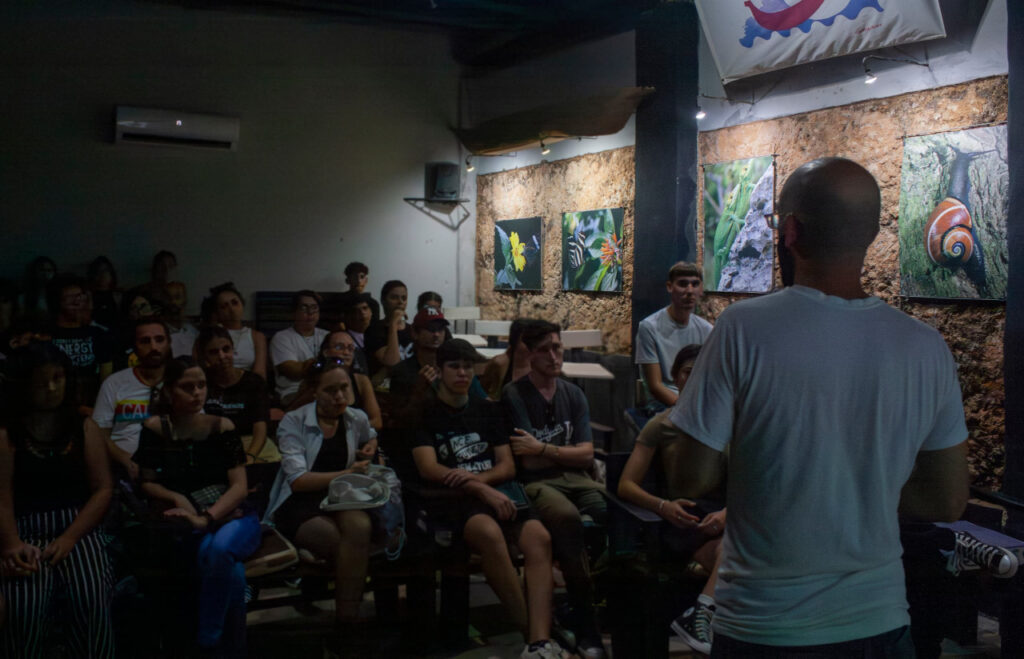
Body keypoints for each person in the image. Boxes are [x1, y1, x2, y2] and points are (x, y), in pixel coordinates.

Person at [670, 158, 969, 656]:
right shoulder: (925, 346)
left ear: (789, 231)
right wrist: (861, 495)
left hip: (764, 622)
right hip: (879, 618)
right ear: (872, 233)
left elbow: (690, 478)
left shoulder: (743, 328)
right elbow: (945, 501)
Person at [412, 339, 569, 659]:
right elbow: (429, 467)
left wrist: (481, 482)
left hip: (497, 492)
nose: (462, 373)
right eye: (454, 367)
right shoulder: (425, 413)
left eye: (468, 367)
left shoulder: (487, 410)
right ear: (439, 371)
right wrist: (478, 488)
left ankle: (539, 641)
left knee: (538, 537)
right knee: (488, 532)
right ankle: (534, 637)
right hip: (454, 500)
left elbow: (506, 465)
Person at [135, 357, 260, 655]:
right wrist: (177, 498)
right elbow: (146, 481)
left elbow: (239, 486)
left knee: (217, 551)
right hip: (188, 515)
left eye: (201, 385)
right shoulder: (155, 428)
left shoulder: (222, 426)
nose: (197, 393)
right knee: (231, 573)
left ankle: (207, 639)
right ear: (168, 391)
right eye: (187, 387)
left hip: (232, 515)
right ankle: (231, 650)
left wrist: (206, 517)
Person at [0, 343, 115, 657]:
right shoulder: (8, 433)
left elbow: (103, 489)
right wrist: (10, 545)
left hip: (78, 527)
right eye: (41, 381)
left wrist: (70, 537)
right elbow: (2, 495)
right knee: (24, 608)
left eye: (58, 378)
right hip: (23, 530)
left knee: (91, 598)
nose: (51, 388)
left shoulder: (83, 427)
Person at [501, 320, 607, 659]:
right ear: (529, 355)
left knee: (615, 515)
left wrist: (545, 450)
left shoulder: (573, 393)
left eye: (557, 348)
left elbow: (587, 453)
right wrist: (566, 455)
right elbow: (527, 463)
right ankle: (585, 622)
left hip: (577, 478)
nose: (553, 356)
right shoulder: (514, 394)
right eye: (544, 349)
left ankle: (592, 603)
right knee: (567, 519)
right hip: (537, 483)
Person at [617, 344, 726, 654]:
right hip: (686, 520)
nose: (697, 380)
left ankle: (703, 616)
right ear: (676, 377)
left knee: (746, 552)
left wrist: (729, 513)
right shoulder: (662, 424)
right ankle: (703, 613)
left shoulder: (730, 421)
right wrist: (662, 506)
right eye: (689, 373)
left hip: (727, 520)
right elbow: (626, 484)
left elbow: (750, 483)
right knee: (737, 555)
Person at [263, 360, 378, 627]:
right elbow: (299, 481)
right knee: (344, 547)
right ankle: (347, 620)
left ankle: (346, 620)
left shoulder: (355, 417)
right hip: (300, 501)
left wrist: (370, 446)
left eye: (344, 388)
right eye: (330, 390)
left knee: (360, 528)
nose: (339, 396)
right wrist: (348, 471)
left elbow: (370, 435)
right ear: (314, 391)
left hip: (340, 495)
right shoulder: (294, 421)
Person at [90, 317, 170, 479]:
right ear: (134, 346)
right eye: (145, 341)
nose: (153, 347)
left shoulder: (181, 380)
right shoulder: (114, 383)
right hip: (123, 468)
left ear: (169, 343)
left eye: (159, 340)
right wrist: (125, 459)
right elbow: (99, 433)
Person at [634, 262, 712, 414]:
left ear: (700, 288)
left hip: (695, 401)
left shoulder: (706, 329)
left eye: (695, 284)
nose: (689, 291)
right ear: (670, 287)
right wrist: (686, 409)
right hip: (662, 404)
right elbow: (655, 386)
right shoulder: (649, 327)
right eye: (683, 284)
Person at [196, 326, 276, 463]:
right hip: (215, 444)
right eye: (214, 352)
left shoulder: (254, 382)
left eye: (226, 349)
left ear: (233, 350)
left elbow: (260, 426)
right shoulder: (201, 383)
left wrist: (250, 457)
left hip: (250, 440)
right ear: (205, 357)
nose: (222, 356)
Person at [48, 274, 113, 415]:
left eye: (80, 296)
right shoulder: (46, 334)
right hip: (54, 404)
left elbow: (106, 377)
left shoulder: (97, 334)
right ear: (57, 301)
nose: (77, 302)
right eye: (70, 297)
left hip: (91, 406)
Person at [270, 290, 329, 406]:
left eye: (314, 308)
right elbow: (292, 371)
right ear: (293, 312)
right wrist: (324, 364)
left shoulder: (327, 335)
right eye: (304, 308)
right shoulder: (282, 337)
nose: (310, 312)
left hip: (326, 388)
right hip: (294, 392)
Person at [205, 282, 268, 380]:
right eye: (224, 306)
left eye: (234, 303)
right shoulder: (210, 335)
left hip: (249, 386)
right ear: (217, 312)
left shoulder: (256, 336)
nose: (231, 309)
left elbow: (260, 373)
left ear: (242, 304)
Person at [480, 318, 538, 401]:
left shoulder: (540, 366)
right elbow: (483, 391)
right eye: (526, 341)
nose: (532, 345)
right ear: (514, 341)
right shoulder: (499, 364)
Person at [364, 280, 413, 377]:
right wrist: (393, 324)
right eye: (394, 297)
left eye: (404, 298)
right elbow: (392, 362)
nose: (400, 302)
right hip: (384, 387)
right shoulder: (374, 330)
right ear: (383, 300)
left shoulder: (412, 329)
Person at [164, 281, 199, 359]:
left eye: (177, 297)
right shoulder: (161, 331)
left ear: (184, 300)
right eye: (169, 299)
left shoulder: (192, 331)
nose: (173, 302)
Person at [87, 256, 122, 333]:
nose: (102, 275)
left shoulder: (118, 296)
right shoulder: (87, 296)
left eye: (105, 271)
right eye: (98, 271)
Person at [340, 293, 374, 366]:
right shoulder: (342, 339)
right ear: (346, 316)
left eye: (365, 308)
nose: (362, 313)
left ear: (371, 312)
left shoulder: (380, 333)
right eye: (355, 310)